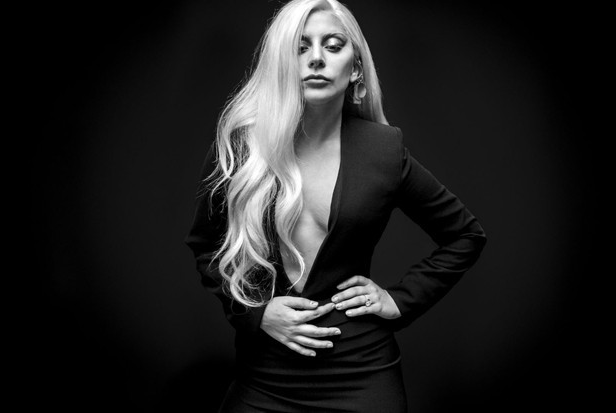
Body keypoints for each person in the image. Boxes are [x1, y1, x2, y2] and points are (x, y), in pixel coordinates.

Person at [185, 0, 487, 411]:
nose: (316, 59)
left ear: (356, 68)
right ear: (283, 63)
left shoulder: (383, 151)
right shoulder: (243, 147)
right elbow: (206, 244)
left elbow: (465, 235)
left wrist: (399, 299)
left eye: (332, 45)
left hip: (362, 374)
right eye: (300, 48)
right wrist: (254, 313)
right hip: (266, 375)